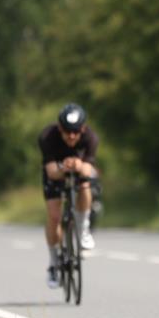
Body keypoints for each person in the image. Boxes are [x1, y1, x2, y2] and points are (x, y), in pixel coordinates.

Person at [38, 103, 99, 289]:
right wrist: (64, 167)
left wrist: (78, 166)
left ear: (83, 129)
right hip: (56, 173)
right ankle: (54, 262)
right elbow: (50, 172)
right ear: (59, 128)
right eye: (66, 131)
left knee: (86, 185)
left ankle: (83, 230)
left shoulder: (91, 138)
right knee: (54, 216)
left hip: (78, 172)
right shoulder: (47, 136)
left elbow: (88, 169)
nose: (71, 136)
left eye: (75, 132)